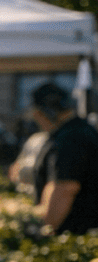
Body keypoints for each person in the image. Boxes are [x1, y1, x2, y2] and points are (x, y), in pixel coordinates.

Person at [28, 81, 98, 234]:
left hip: (74, 234)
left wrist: (44, 232)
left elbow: (64, 188)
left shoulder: (69, 139)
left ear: (45, 112)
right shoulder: (83, 130)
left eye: (36, 115)